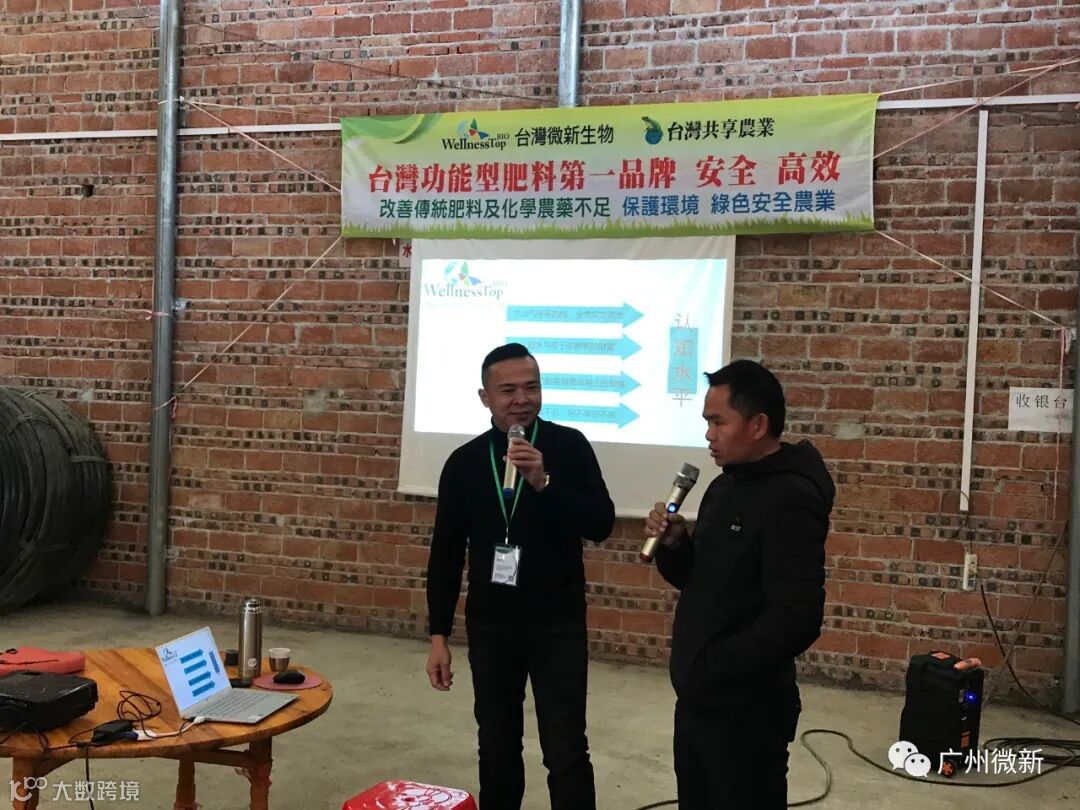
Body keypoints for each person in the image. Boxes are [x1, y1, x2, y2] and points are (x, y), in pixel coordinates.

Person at [425, 342, 615, 810]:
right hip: (491, 625)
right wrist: (438, 635)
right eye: (508, 390)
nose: (522, 399)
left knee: (566, 747)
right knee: (496, 745)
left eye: (531, 387)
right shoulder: (465, 462)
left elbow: (601, 523)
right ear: (485, 397)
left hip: (557, 623)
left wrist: (544, 483)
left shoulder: (568, 446)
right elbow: (446, 552)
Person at [645, 359, 834, 809]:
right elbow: (700, 581)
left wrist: (714, 667)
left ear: (758, 424)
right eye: (706, 422)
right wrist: (676, 545)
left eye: (718, 422)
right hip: (700, 704)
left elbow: (797, 617)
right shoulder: (725, 486)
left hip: (746, 713)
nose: (709, 435)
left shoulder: (792, 497)